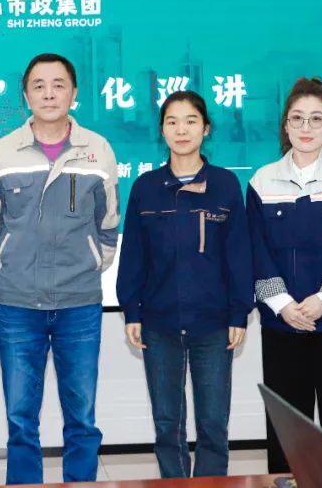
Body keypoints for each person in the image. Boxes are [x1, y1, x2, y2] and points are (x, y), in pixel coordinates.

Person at [0, 53, 120, 484]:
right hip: (18, 305)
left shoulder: (97, 150)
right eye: (39, 85)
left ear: (74, 93)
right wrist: (14, 269)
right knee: (21, 418)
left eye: (59, 84)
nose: (49, 93)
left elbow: (108, 226)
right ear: (26, 95)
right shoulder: (2, 152)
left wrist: (87, 265)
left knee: (82, 417)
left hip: (80, 304)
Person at [116, 90, 254, 478]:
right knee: (167, 425)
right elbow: (134, 256)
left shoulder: (225, 184)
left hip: (213, 323)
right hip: (159, 323)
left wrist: (239, 313)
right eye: (172, 122)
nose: (182, 130)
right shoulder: (145, 187)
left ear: (206, 128)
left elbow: (239, 254)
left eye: (191, 121)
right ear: (162, 130)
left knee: (213, 424)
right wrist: (132, 310)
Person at [247, 76, 322, 473]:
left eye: (316, 119)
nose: (306, 127)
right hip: (282, 327)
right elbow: (257, 251)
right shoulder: (262, 181)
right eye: (297, 118)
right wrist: (284, 305)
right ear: (285, 125)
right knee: (286, 433)